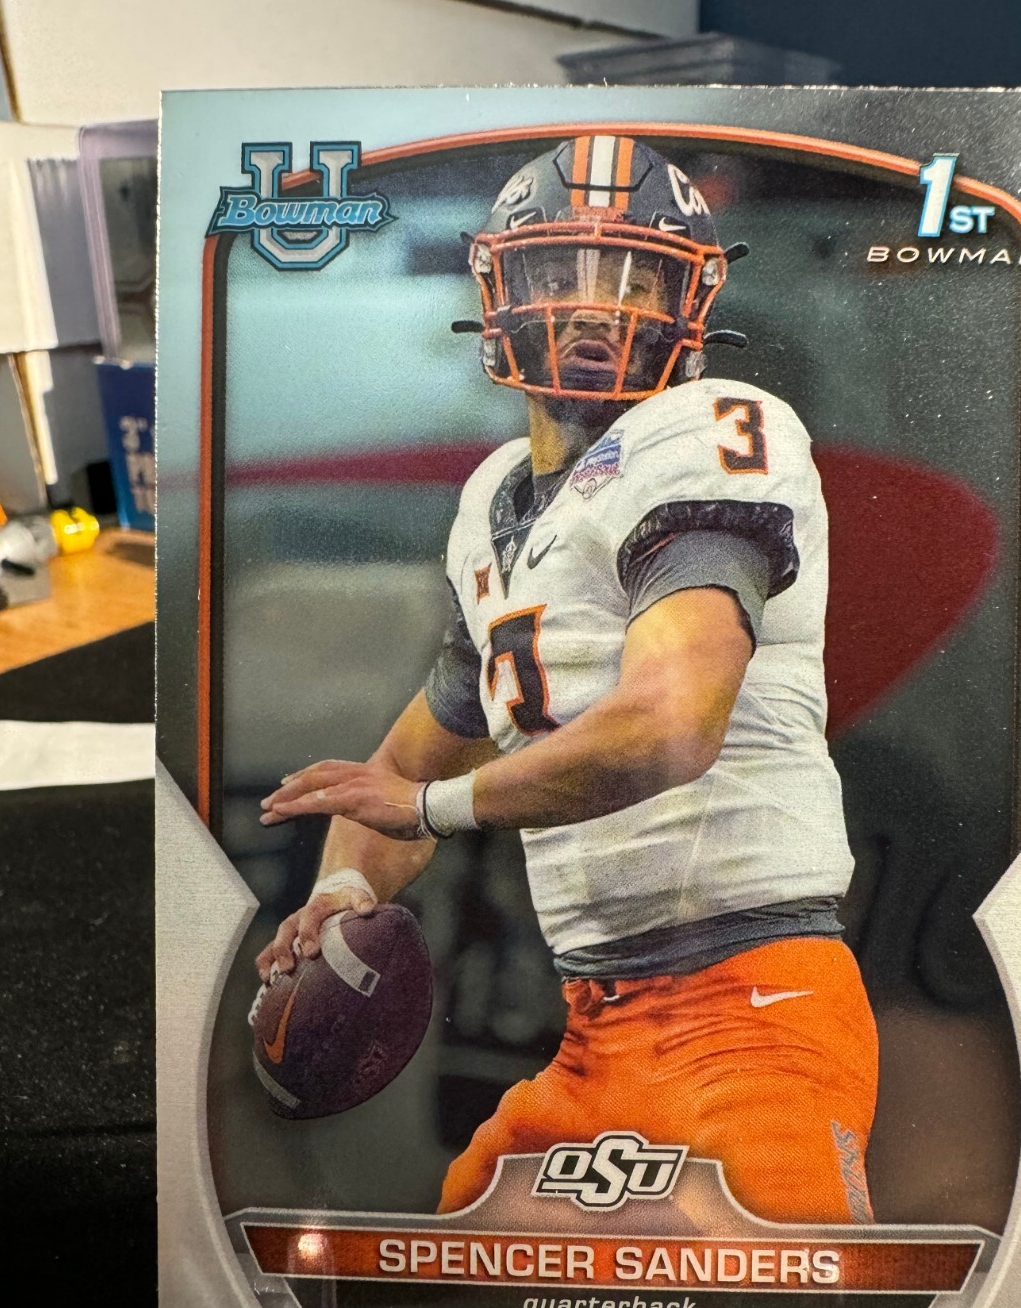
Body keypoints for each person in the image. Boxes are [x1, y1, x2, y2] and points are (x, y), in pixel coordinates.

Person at [257, 135, 878, 1227]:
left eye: (634, 279)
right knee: (444, 1284)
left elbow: (672, 725)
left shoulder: (713, 432)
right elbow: (395, 773)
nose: (597, 307)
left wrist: (433, 808)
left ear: (689, 301)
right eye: (561, 272)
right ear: (499, 290)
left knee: (789, 1306)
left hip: (754, 1002)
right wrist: (342, 892)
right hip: (595, 1024)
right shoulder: (493, 500)